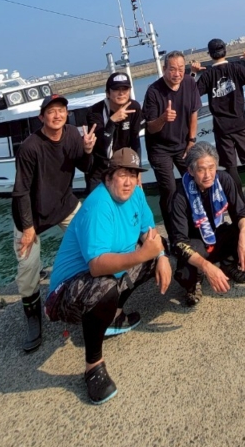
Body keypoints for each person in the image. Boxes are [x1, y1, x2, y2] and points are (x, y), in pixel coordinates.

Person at [45, 149, 172, 404]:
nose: (128, 182)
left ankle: (114, 316)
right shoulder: (99, 205)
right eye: (122, 174)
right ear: (108, 177)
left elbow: (149, 232)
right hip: (65, 293)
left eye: (133, 175)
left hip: (103, 276)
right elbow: (96, 266)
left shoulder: (136, 194)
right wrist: (143, 254)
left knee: (158, 251)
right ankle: (93, 367)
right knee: (104, 287)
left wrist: (160, 256)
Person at [11, 94, 96, 353]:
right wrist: (27, 228)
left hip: (63, 205)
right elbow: (20, 191)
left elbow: (86, 167)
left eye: (61, 110)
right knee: (28, 268)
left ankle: (90, 294)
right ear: (41, 117)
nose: (57, 115)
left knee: (91, 241)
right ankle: (33, 319)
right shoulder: (30, 147)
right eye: (51, 111)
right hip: (31, 216)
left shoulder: (71, 135)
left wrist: (88, 150)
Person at [168, 142, 245, 306]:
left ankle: (228, 264)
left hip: (219, 234)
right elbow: (179, 242)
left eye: (211, 168)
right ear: (191, 171)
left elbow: (241, 213)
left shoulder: (223, 179)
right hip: (197, 246)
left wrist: (243, 237)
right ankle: (196, 281)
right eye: (201, 170)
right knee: (185, 274)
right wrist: (206, 267)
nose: (208, 175)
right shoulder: (179, 196)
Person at [192, 39, 245, 208]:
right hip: (241, 123)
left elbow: (192, 95)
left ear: (210, 54)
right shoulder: (236, 68)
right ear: (225, 51)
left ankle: (241, 202)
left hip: (222, 128)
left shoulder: (207, 75)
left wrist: (193, 73)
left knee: (231, 166)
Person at [141, 51, 202, 232]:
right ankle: (174, 232)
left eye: (181, 69)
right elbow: (151, 127)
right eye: (173, 69)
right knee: (169, 189)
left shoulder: (189, 83)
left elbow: (193, 113)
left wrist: (192, 140)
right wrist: (163, 118)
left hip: (183, 143)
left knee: (194, 181)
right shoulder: (153, 91)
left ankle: (196, 225)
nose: (177, 73)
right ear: (164, 69)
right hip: (160, 147)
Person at [84, 71, 142, 193]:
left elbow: (135, 140)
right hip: (99, 169)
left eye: (125, 89)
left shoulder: (135, 108)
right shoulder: (95, 112)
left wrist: (137, 170)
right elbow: (101, 146)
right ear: (107, 93)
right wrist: (112, 121)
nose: (121, 93)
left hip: (123, 166)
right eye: (116, 89)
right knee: (98, 203)